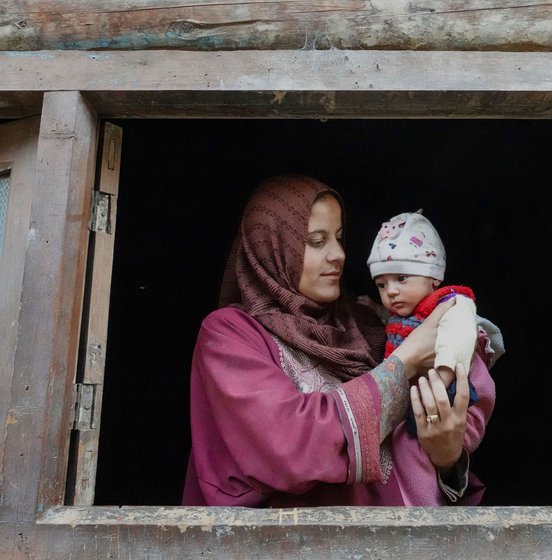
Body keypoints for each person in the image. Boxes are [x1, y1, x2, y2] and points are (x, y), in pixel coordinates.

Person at [182, 174, 493, 507]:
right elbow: (289, 446)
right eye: (316, 241)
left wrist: (446, 457)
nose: (339, 255)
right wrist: (406, 361)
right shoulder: (231, 334)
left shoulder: (371, 324)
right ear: (271, 247)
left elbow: (424, 454)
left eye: (340, 238)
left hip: (401, 547)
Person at [365, 209, 501, 503]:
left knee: (418, 457)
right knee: (408, 451)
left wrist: (444, 374)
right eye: (382, 284)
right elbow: (392, 324)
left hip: (450, 392)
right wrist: (372, 309)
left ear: (433, 277)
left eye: (401, 278)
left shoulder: (453, 303)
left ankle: (423, 514)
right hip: (419, 403)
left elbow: (460, 335)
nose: (391, 291)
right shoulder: (402, 312)